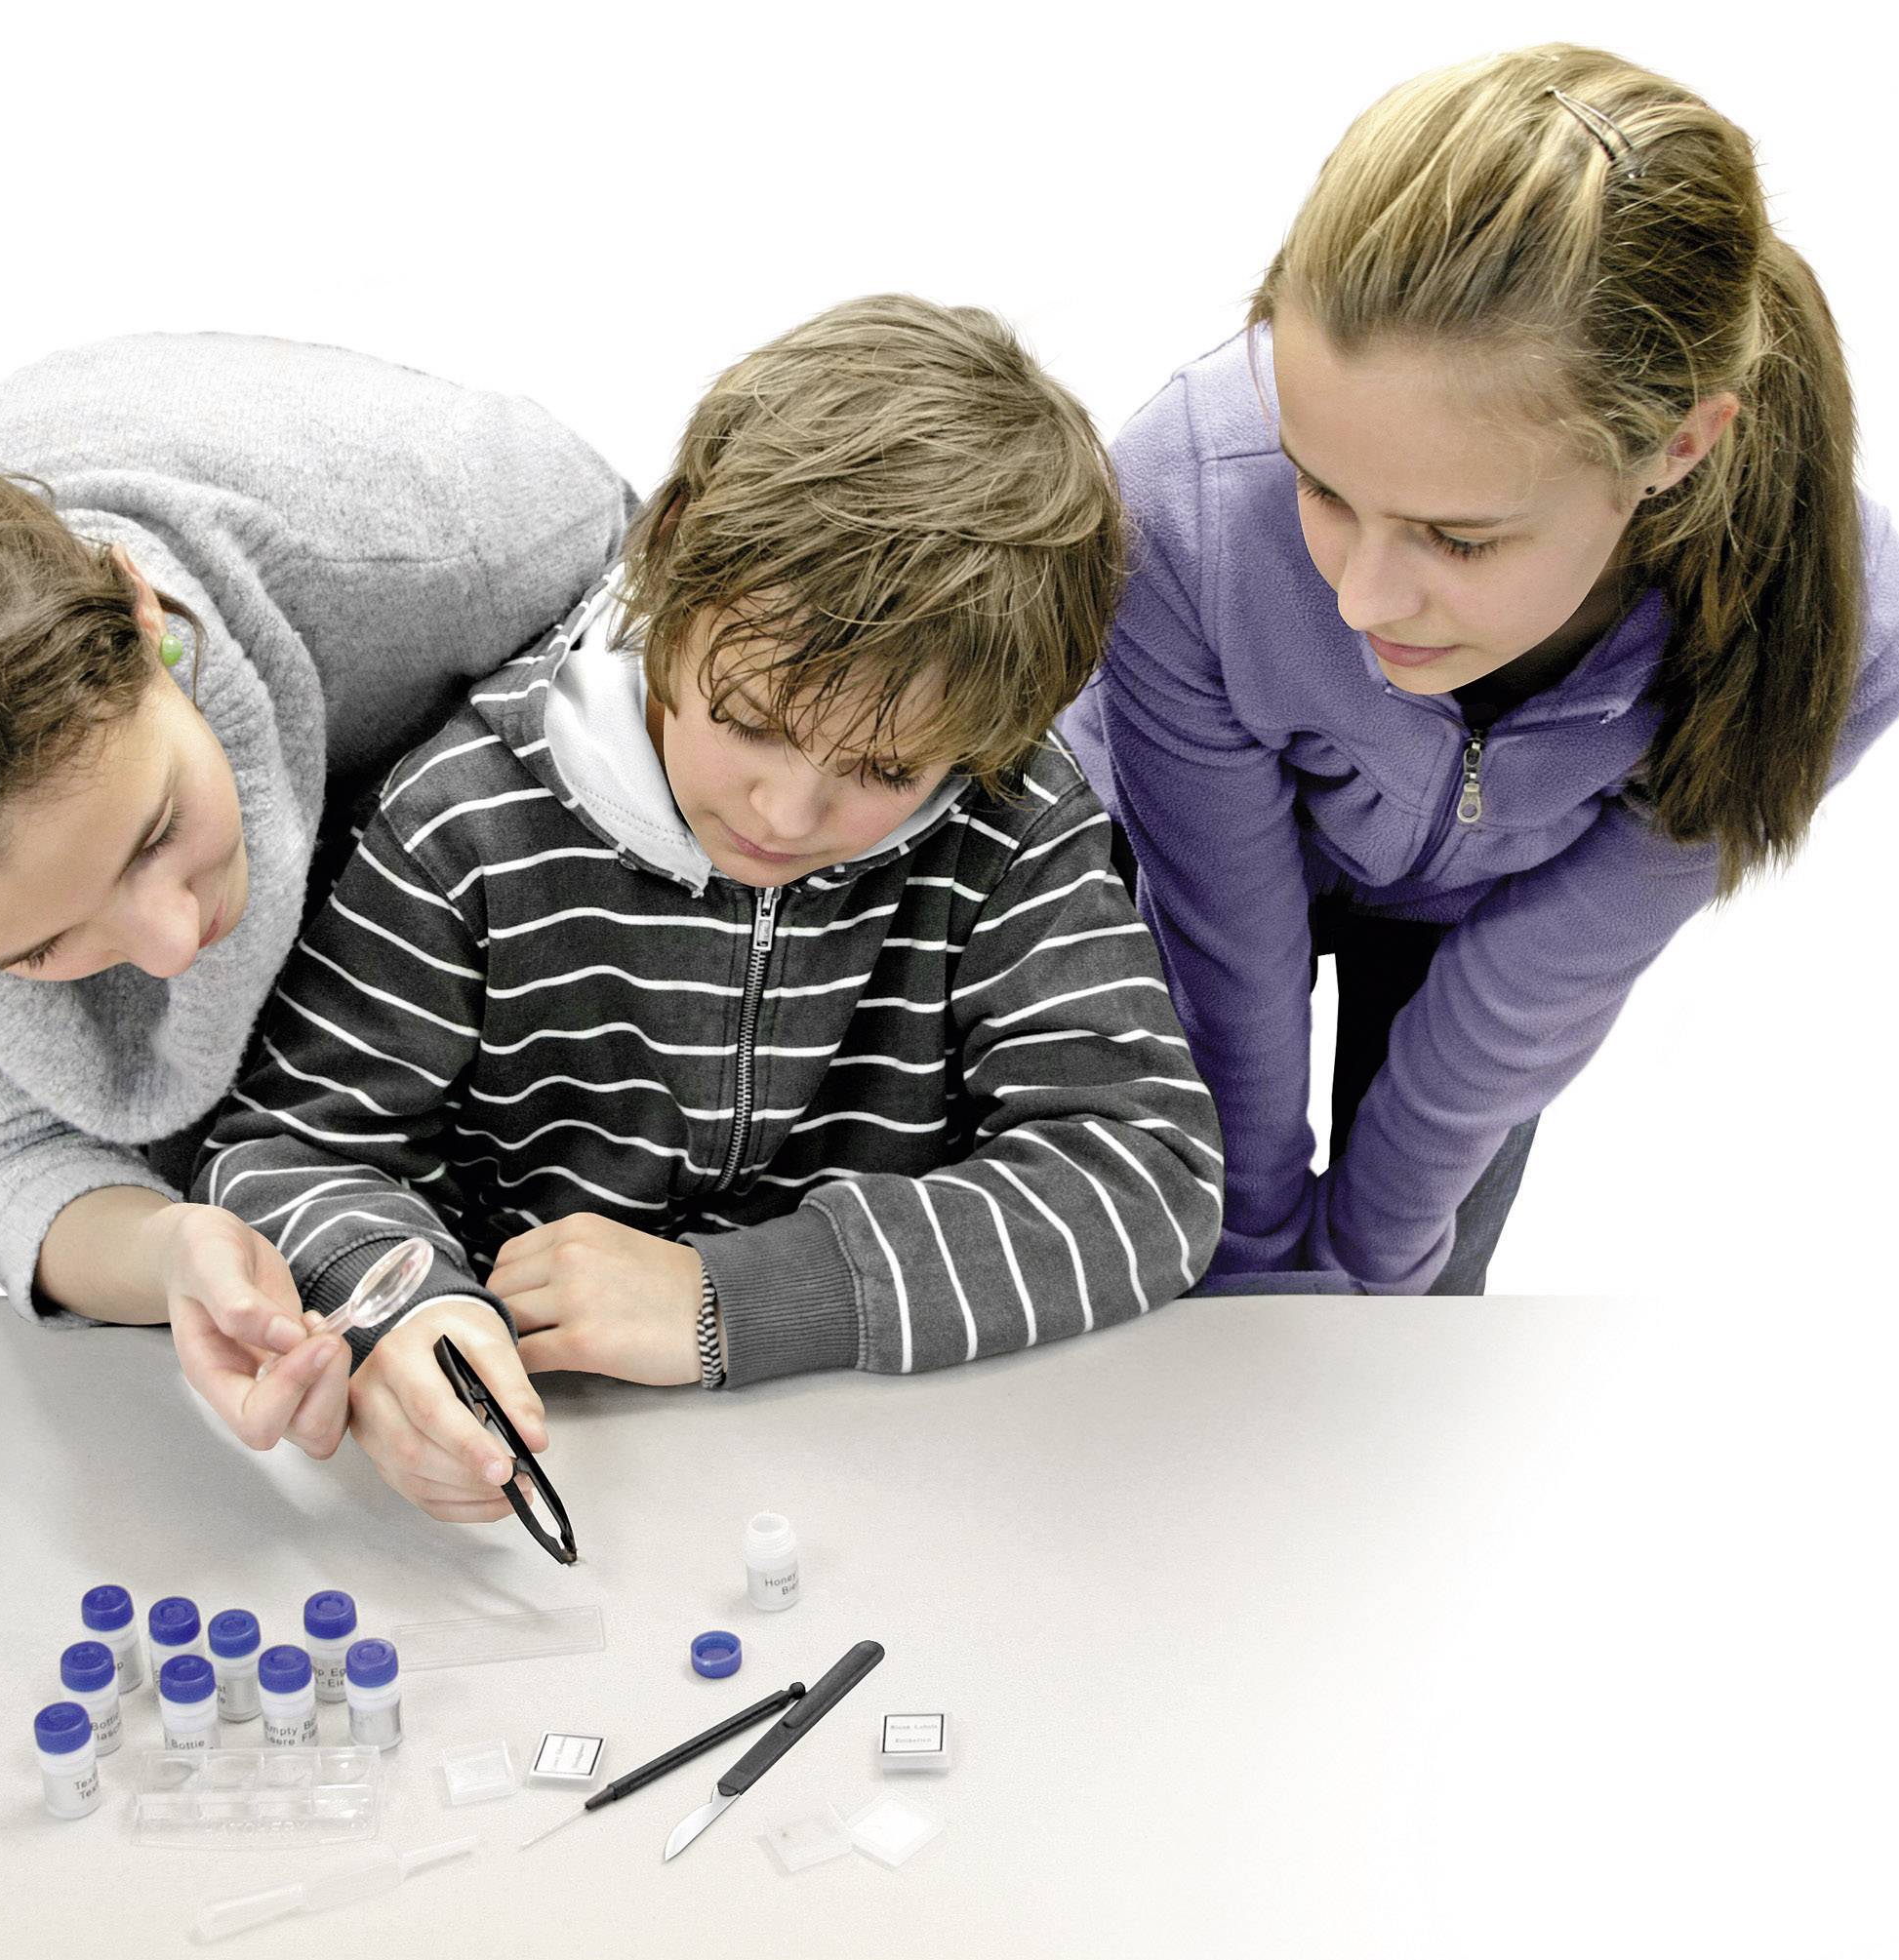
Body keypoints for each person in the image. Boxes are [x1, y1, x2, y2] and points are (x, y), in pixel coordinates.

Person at [195, 295, 1230, 1521]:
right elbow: (286, 1146)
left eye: (887, 772)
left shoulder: (1009, 821)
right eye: (749, 717)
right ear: (673, 555)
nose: (787, 816)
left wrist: (736, 1297)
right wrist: (403, 1312)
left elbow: (1147, 1172)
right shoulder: (461, 818)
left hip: (902, 1473)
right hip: (548, 1460)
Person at [0, 332, 631, 1481]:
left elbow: (685, 732)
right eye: (37, 947)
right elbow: (3, 1141)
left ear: (143, 615)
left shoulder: (458, 530)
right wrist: (176, 1248)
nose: (176, 945)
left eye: (155, 831)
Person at [1061, 44, 1899, 1294]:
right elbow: (1221, 946)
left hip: (1489, 930)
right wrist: (1239, 1247)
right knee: (1181, 1273)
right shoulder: (1184, 502)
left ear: (1678, 445)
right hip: (1207, 882)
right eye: (1320, 486)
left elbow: (1520, 993)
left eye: (1459, 537)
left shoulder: (1845, 632)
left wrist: (1376, 1270)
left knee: (1408, 1301)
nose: (1361, 597)